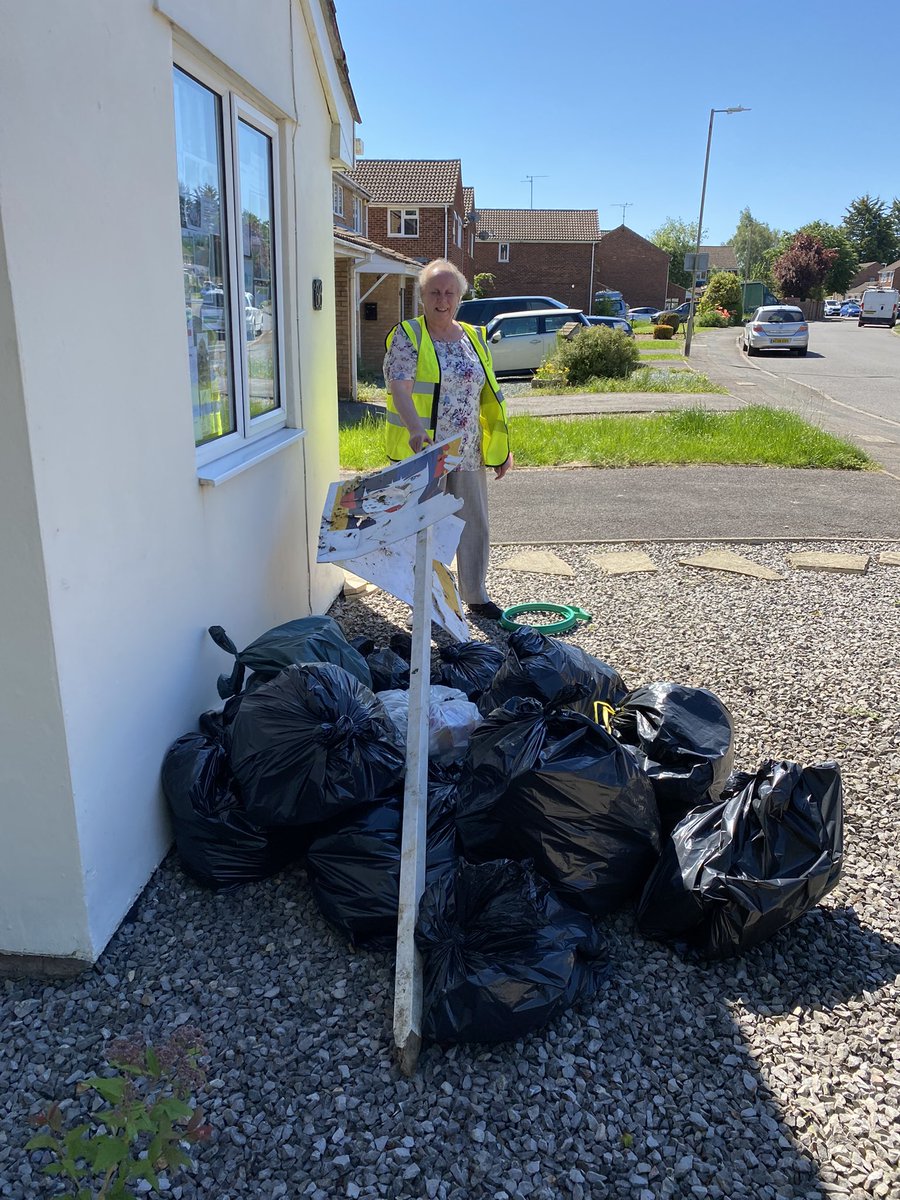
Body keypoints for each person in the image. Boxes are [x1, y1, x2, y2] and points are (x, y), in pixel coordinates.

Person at [383, 259, 513, 621]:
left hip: (468, 449)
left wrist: (502, 449)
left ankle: (475, 595)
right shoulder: (409, 336)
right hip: (428, 452)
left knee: (474, 523)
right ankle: (426, 600)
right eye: (434, 292)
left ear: (460, 297)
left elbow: (487, 395)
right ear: (422, 296)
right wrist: (414, 429)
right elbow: (400, 388)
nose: (442, 300)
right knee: (426, 527)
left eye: (449, 293)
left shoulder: (473, 336)